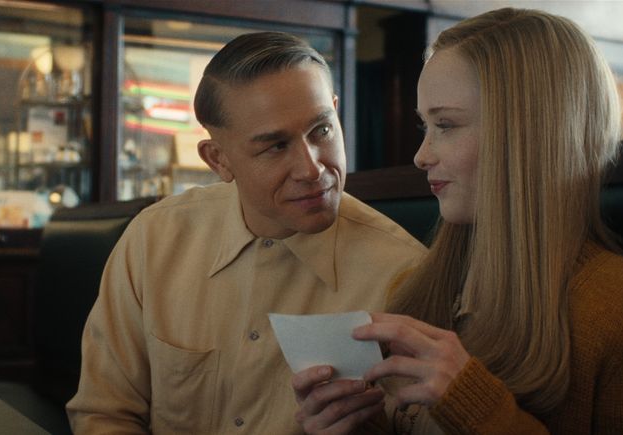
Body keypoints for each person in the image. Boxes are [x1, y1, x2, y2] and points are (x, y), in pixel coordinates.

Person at [292, 8, 623, 434]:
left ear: (527, 135)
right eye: (425, 126)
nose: (421, 155)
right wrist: (354, 424)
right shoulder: (416, 288)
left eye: (446, 125)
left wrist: (470, 402)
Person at [66, 32, 426, 433]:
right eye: (276, 146)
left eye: (322, 130)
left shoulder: (405, 273)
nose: (312, 169)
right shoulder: (153, 241)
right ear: (218, 159)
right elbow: (105, 413)